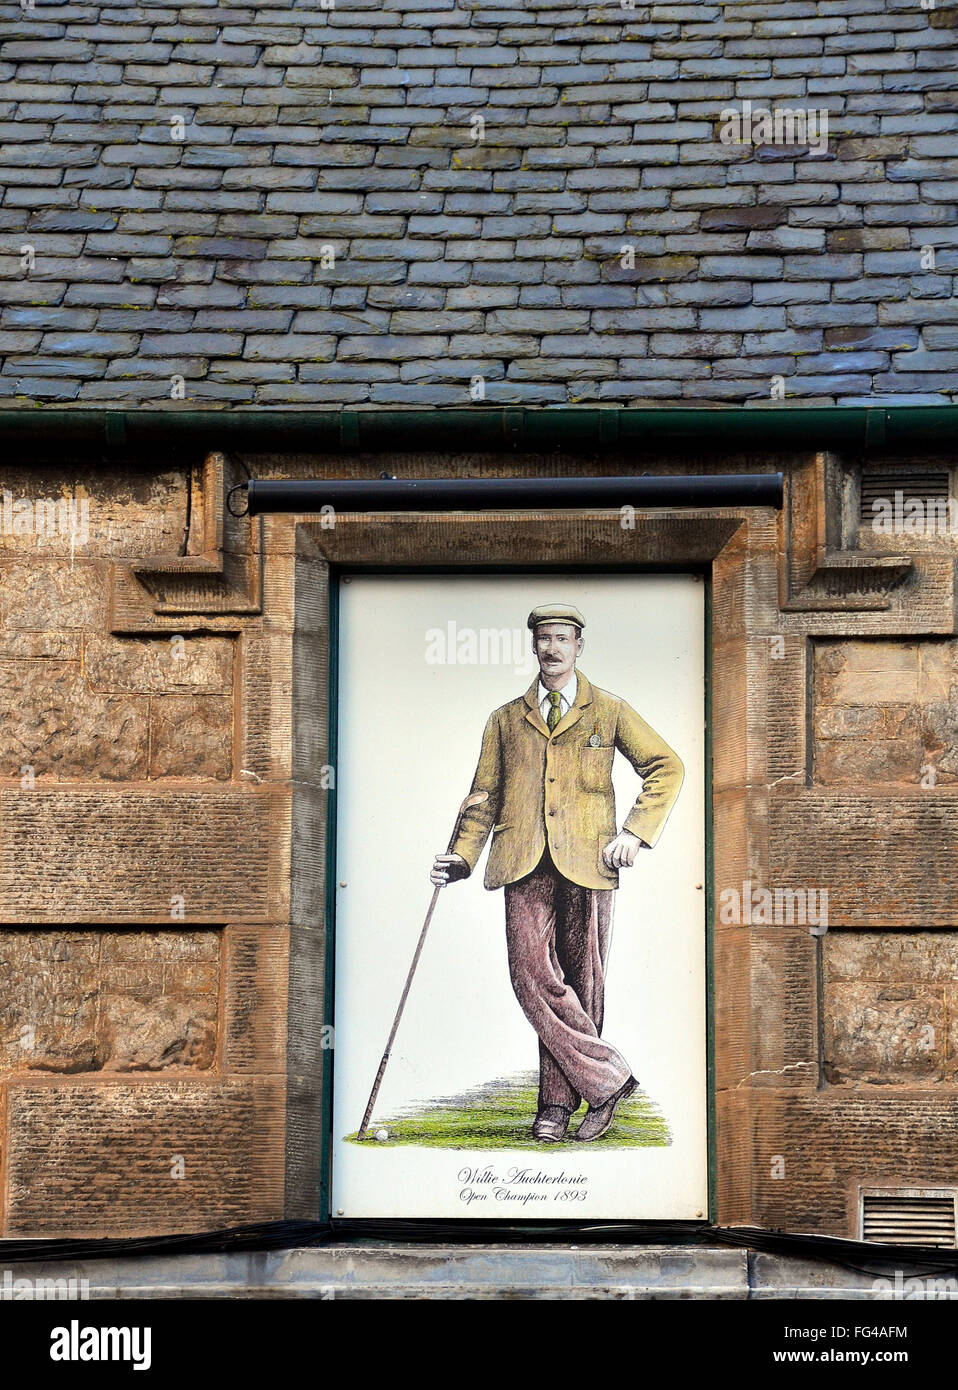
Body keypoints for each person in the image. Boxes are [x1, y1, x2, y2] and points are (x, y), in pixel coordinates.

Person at [431, 603, 685, 1143]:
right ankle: (610, 1081)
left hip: (591, 862)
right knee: (532, 977)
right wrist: (461, 855)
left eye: (562, 638)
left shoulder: (609, 710)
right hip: (523, 860)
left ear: (578, 647)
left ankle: (555, 1106)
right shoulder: (504, 719)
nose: (552, 647)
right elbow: (483, 795)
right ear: (533, 646)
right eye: (543, 638)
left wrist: (635, 835)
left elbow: (667, 766)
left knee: (584, 982)